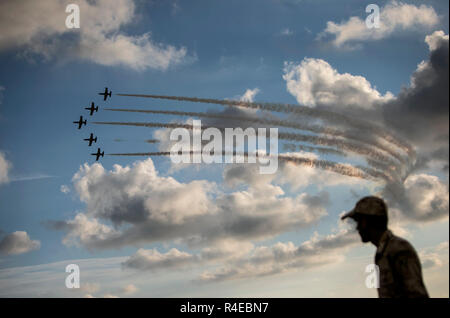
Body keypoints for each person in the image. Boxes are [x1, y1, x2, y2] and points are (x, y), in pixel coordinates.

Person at [341, 196, 429, 298]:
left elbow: (416, 294)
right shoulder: (383, 252)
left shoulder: (399, 249)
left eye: (359, 221)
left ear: (367, 221)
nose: (357, 227)